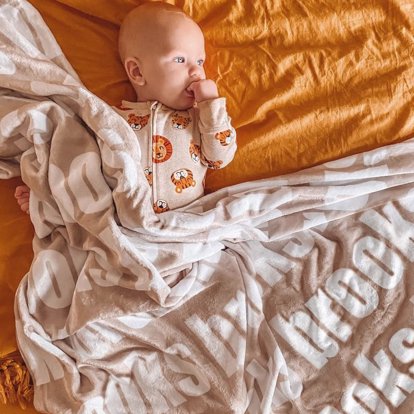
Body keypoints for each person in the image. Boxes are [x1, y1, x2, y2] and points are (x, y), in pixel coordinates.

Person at [15, 1, 236, 214]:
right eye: (180, 60)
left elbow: (219, 158)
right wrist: (46, 192)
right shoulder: (110, 119)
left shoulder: (202, 119)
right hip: (126, 227)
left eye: (199, 61)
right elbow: (81, 165)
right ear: (138, 72)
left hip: (185, 223)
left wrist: (211, 106)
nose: (197, 72)